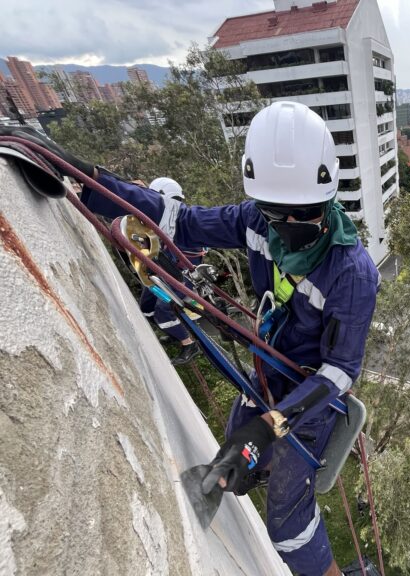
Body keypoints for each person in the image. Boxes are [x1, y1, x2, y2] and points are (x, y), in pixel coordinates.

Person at [5, 103, 379, 576]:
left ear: (327, 196)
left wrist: (271, 424)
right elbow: (175, 219)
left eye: (301, 214)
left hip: (309, 400)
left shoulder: (351, 273)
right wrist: (85, 176)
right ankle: (252, 463)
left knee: (286, 524)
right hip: (267, 375)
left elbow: (340, 371)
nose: (286, 226)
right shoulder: (256, 222)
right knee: (232, 442)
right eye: (276, 214)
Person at [138, 177, 206, 365]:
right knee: (146, 304)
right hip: (166, 272)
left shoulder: (183, 221)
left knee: (163, 307)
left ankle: (188, 343)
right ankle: (169, 331)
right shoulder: (170, 218)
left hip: (182, 277)